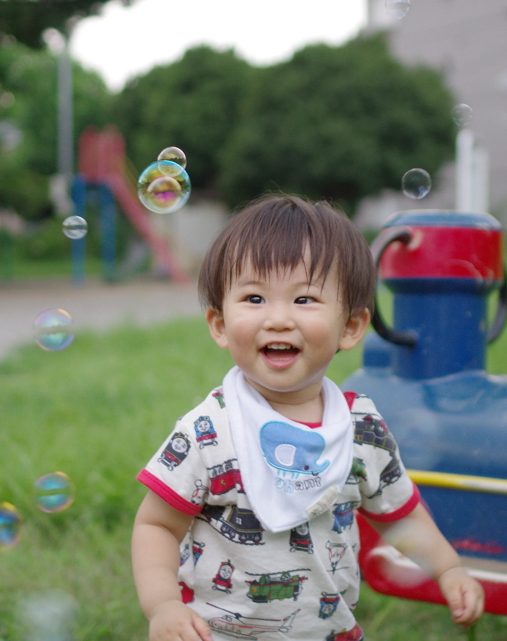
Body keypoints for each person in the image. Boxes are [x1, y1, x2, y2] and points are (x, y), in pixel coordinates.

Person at [132, 194, 484, 641]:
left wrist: (448, 568)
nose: (278, 319)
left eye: (304, 298)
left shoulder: (361, 429)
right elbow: (157, 523)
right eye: (255, 297)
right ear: (219, 325)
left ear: (351, 327)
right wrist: (162, 605)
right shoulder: (209, 431)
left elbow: (398, 514)